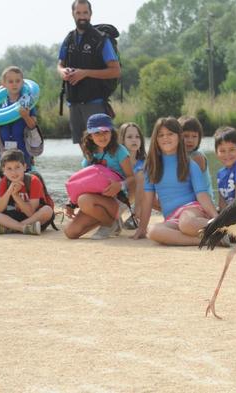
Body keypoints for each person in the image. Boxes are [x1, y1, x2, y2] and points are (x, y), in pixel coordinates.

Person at [133, 117, 220, 246]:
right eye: (161, 135)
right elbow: (147, 200)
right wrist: (142, 227)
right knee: (153, 231)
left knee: (186, 224)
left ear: (179, 137)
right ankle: (202, 240)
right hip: (172, 218)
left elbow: (202, 195)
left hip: (192, 211)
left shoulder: (189, 164)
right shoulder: (151, 167)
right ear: (155, 139)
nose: (165, 138)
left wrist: (215, 217)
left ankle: (221, 228)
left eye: (170, 134)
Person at [57, 0, 121, 146]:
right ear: (73, 14)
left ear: (91, 14)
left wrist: (85, 73)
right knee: (84, 149)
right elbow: (59, 64)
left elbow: (116, 71)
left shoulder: (101, 39)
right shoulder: (69, 38)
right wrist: (62, 71)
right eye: (78, 13)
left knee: (103, 149)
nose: (82, 16)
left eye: (85, 12)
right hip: (73, 103)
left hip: (95, 104)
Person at [64, 113, 134, 240]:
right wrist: (70, 203)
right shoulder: (90, 154)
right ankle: (113, 222)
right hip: (96, 200)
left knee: (84, 200)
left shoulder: (120, 151)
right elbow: (83, 183)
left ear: (111, 132)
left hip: (117, 199)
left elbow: (132, 178)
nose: (102, 136)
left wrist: (120, 185)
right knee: (70, 232)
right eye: (97, 133)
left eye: (105, 132)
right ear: (90, 136)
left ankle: (109, 223)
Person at [0, 149, 53, 235]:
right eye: (9, 168)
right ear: (3, 170)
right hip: (18, 217)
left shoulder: (33, 181)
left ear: (24, 167)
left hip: (34, 218)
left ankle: (9, 228)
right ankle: (23, 228)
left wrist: (15, 195)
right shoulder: (5, 181)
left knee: (47, 210)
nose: (14, 172)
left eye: (17, 167)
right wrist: (9, 191)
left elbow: (31, 213)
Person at [0, 66, 38, 170]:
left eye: (17, 81)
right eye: (10, 81)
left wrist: (26, 116)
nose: (14, 84)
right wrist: (1, 147)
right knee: (8, 177)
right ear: (4, 84)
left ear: (22, 83)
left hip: (24, 151)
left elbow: (33, 126)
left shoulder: (28, 103)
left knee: (26, 178)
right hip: (6, 152)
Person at [179, 116, 215, 202]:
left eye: (194, 136)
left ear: (199, 138)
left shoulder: (197, 157)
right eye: (186, 136)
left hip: (202, 204)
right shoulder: (178, 156)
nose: (190, 140)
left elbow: (188, 186)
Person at [118, 122, 146, 230]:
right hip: (119, 196)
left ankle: (136, 216)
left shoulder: (143, 161)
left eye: (137, 137)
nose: (134, 140)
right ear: (122, 140)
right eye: (129, 137)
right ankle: (117, 216)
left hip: (137, 196)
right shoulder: (119, 161)